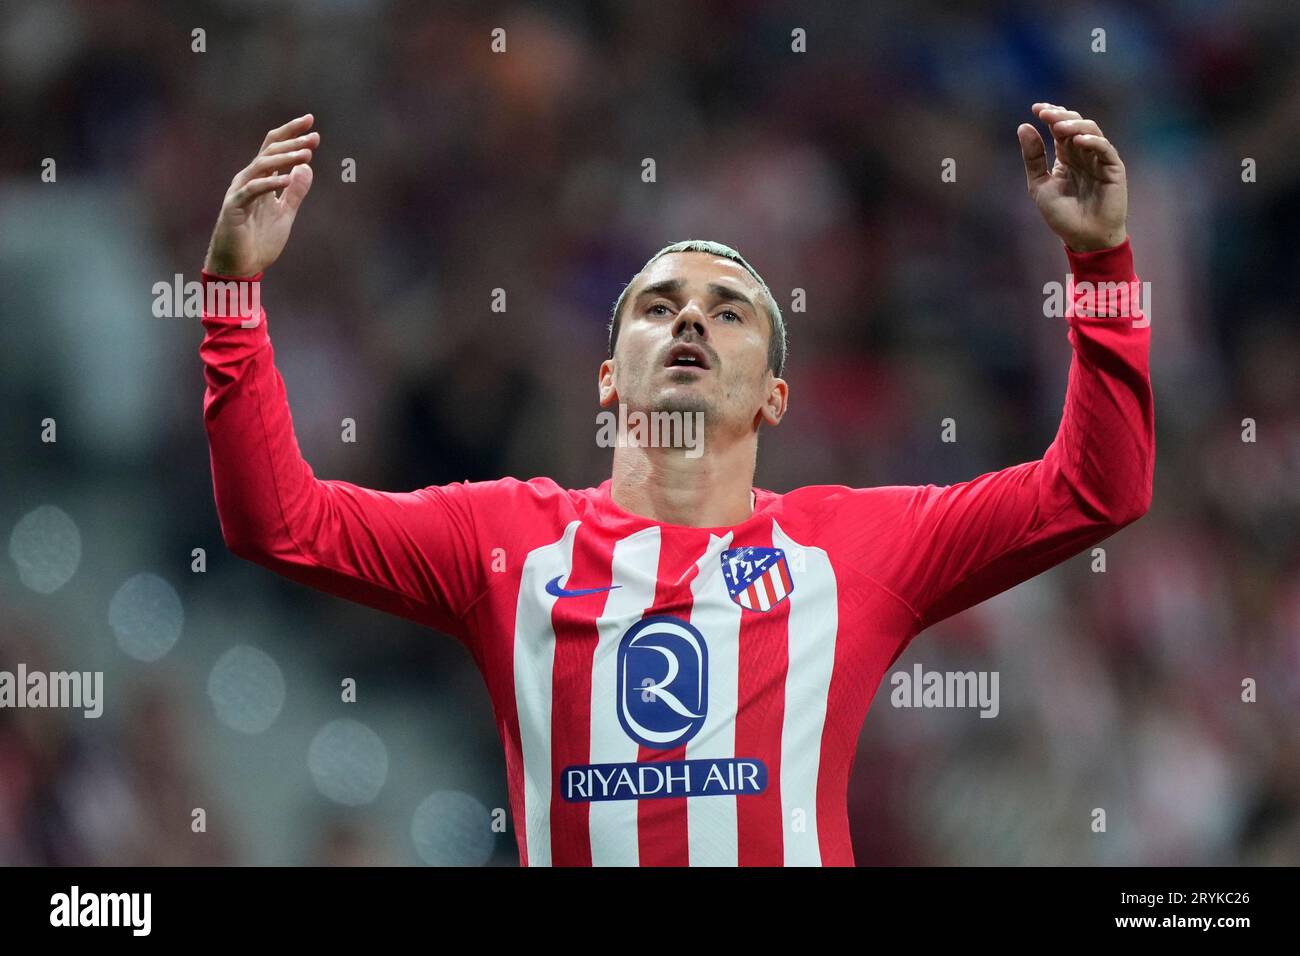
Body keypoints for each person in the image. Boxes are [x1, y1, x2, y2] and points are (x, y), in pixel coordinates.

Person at [199, 103, 1153, 866]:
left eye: (728, 312)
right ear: (610, 376)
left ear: (774, 396)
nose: (691, 320)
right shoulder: (506, 543)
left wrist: (1099, 262)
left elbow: (1095, 491)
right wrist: (233, 296)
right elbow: (276, 523)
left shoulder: (851, 550)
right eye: (658, 307)